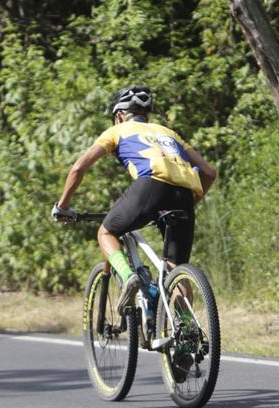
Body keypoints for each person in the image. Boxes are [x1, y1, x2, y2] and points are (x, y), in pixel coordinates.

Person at [52, 86, 216, 313]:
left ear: (119, 115)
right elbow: (209, 173)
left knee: (106, 232)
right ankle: (186, 331)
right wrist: (191, 203)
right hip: (185, 194)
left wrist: (62, 206)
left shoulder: (117, 130)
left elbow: (79, 168)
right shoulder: (169, 132)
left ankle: (129, 276)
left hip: (151, 186)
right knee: (176, 268)